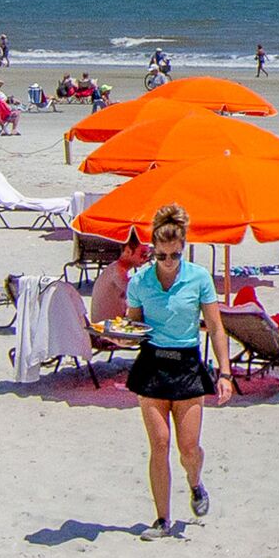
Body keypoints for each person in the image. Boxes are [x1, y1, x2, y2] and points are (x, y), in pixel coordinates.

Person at [92, 205, 226, 534]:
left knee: (189, 448)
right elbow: (133, 324)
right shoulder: (140, 282)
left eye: (174, 255)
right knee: (160, 444)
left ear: (183, 249)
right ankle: (162, 519)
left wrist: (225, 373)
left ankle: (195, 484)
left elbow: (216, 326)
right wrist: (120, 337)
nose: (168, 262)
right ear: (153, 251)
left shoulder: (199, 278)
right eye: (162, 255)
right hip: (152, 364)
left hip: (187, 365)